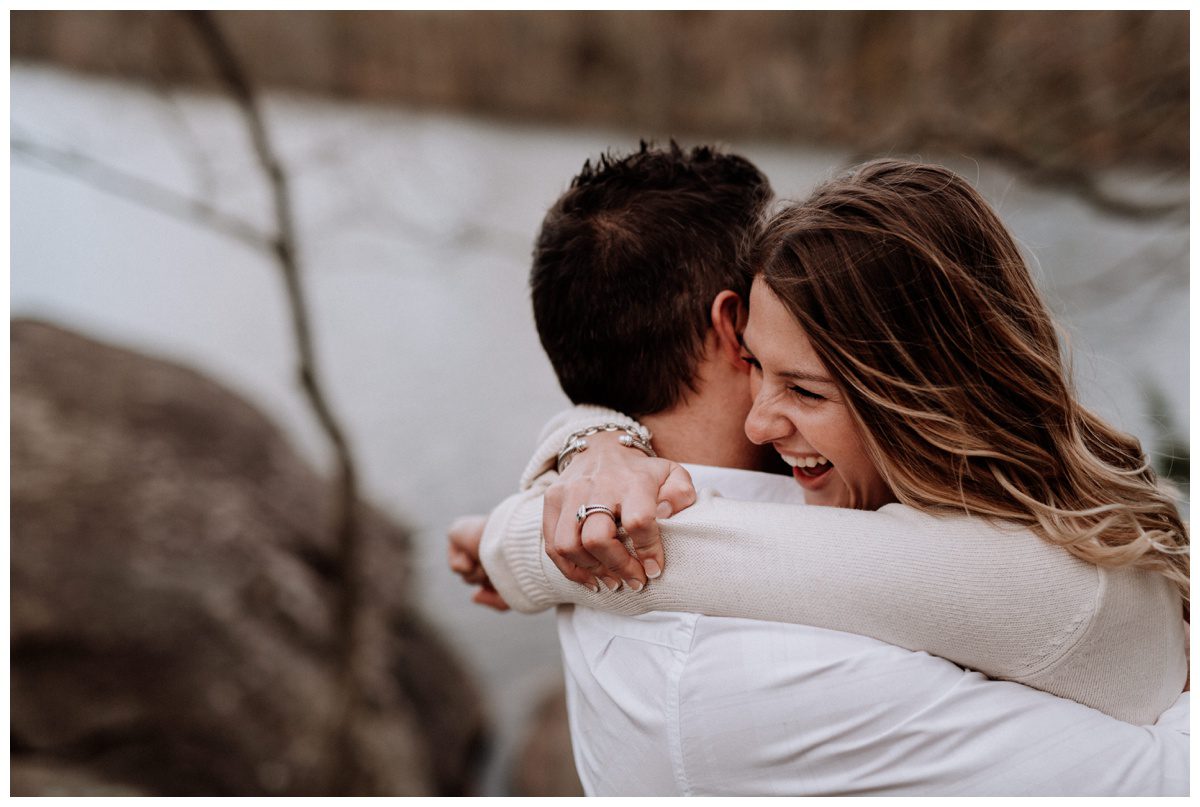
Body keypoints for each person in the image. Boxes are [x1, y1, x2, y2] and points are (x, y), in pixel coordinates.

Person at [451, 150, 1189, 795]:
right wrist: (587, 455)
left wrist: (528, 525)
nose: (761, 421)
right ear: (730, 327)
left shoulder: (1023, 577)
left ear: (913, 389)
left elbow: (706, 559)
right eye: (764, 367)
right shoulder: (791, 561)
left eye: (804, 384)